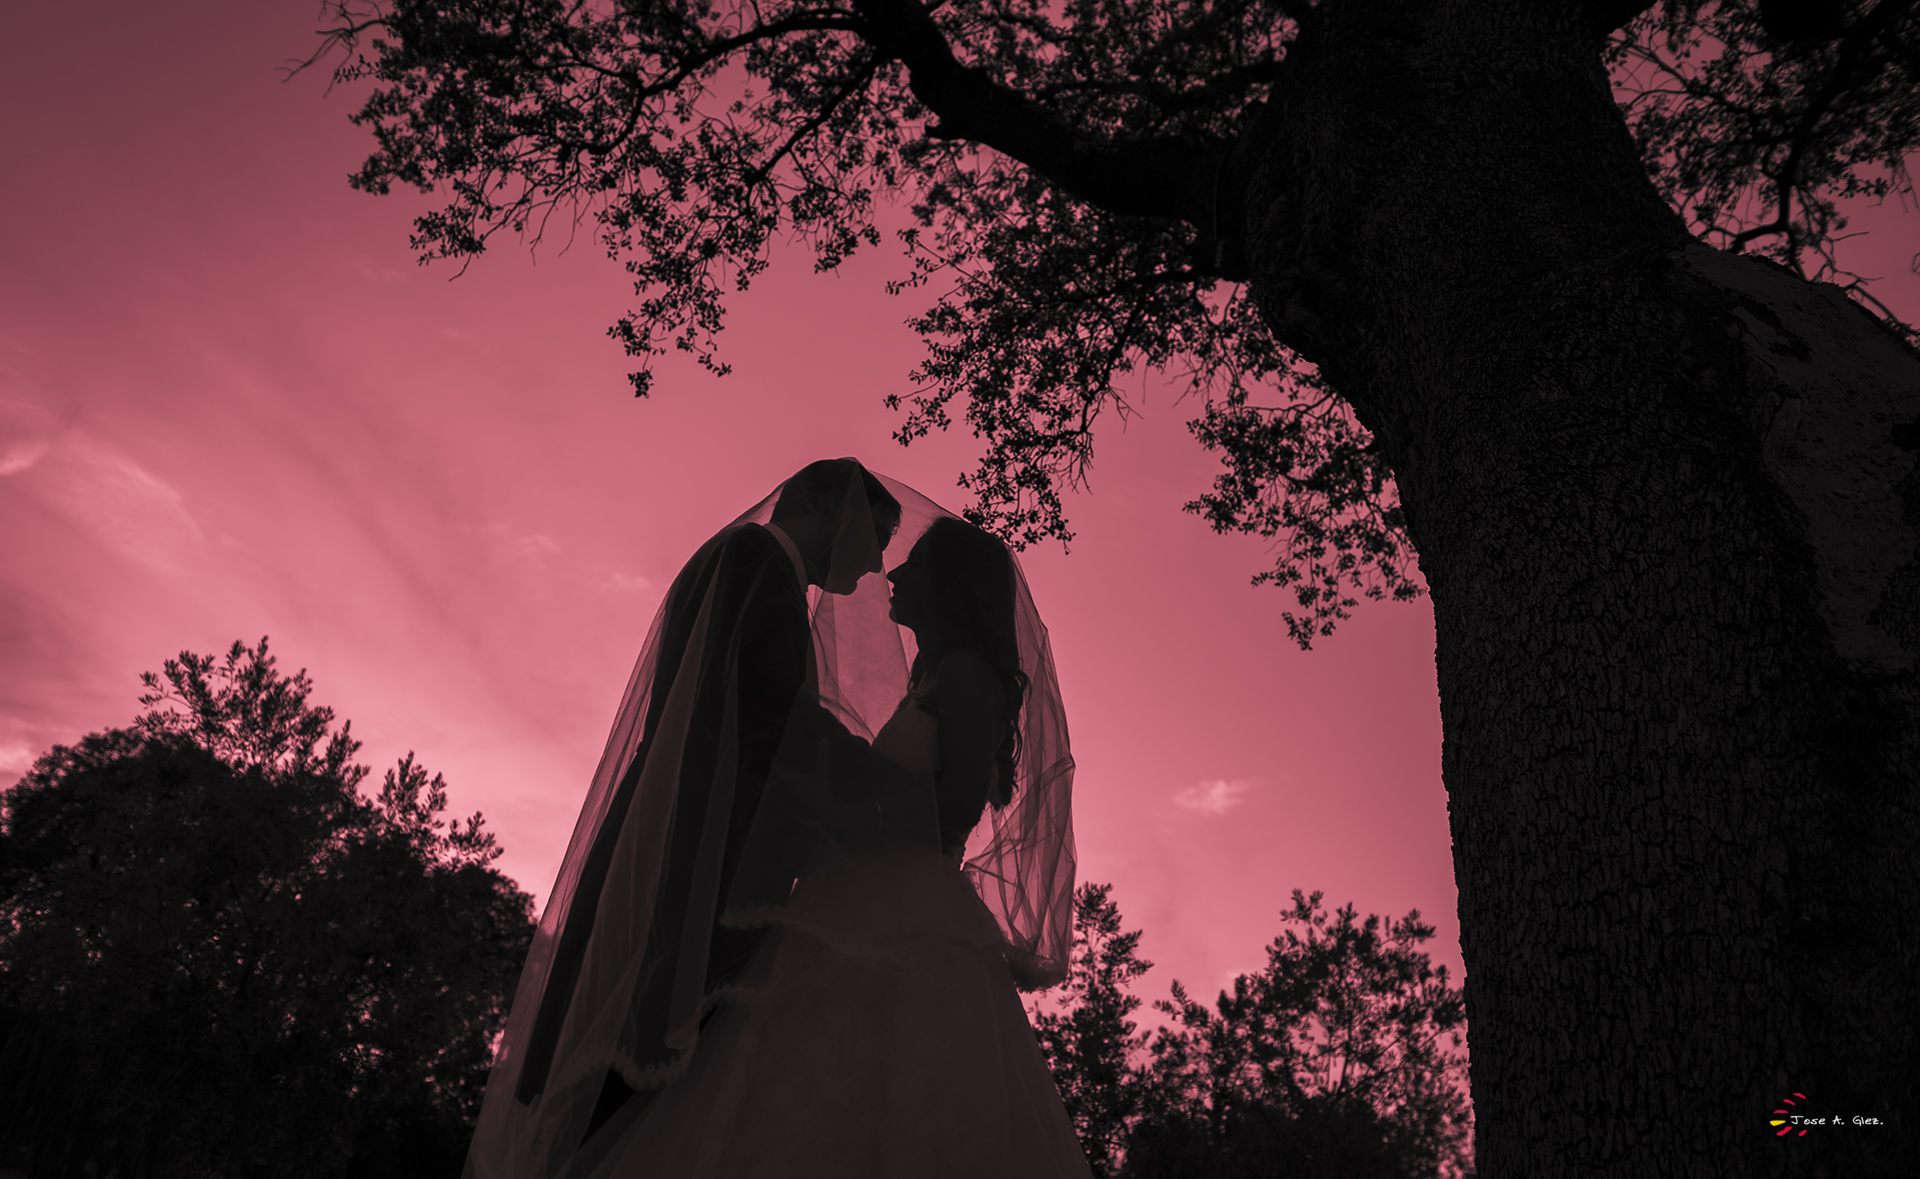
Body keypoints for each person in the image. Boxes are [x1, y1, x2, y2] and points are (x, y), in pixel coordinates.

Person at [465, 466, 1085, 1179]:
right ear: (827, 505)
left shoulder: (783, 585)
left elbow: (812, 743)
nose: (880, 566)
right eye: (875, 537)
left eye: (897, 552)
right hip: (695, 848)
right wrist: (856, 788)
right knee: (633, 1059)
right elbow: (777, 721)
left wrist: (847, 800)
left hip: (769, 869)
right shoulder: (751, 564)